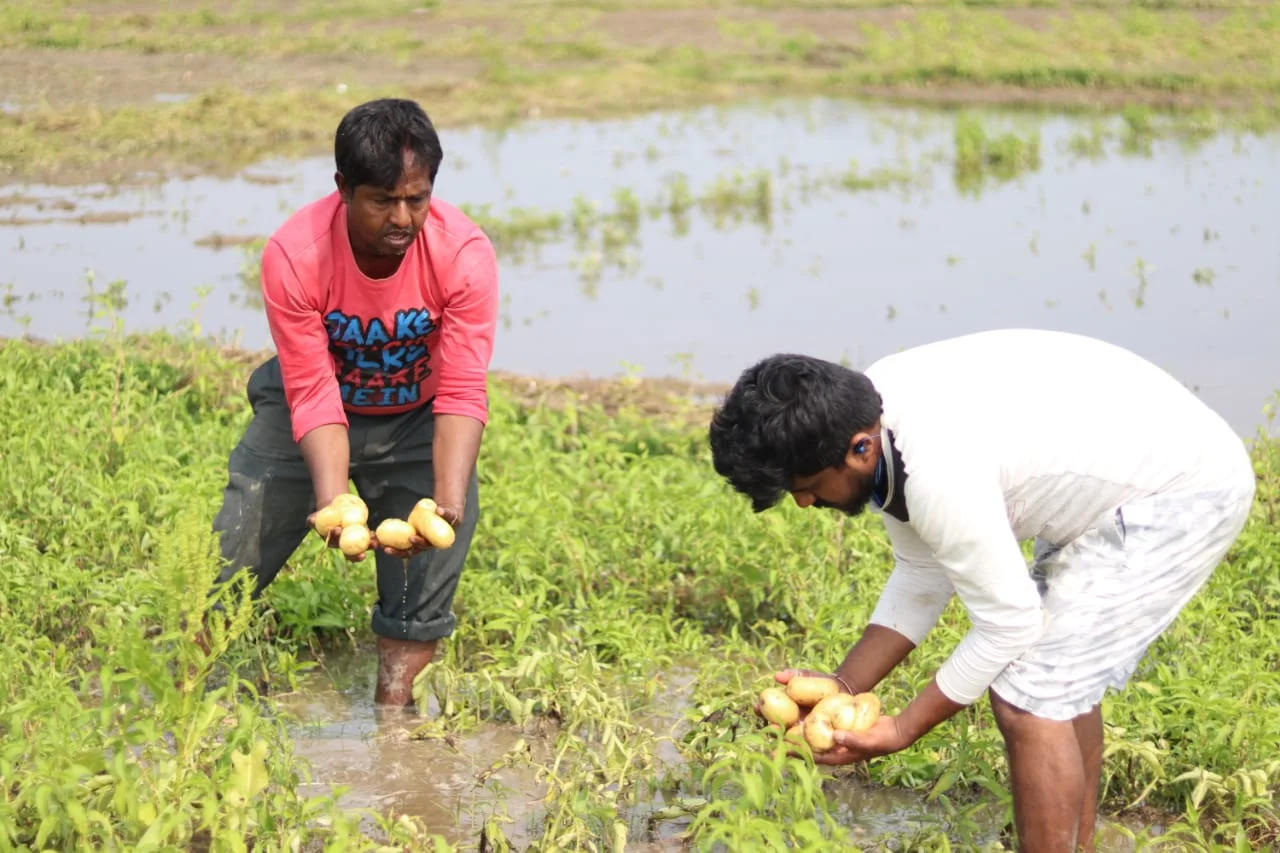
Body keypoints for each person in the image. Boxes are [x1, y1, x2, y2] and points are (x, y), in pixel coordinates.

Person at [707, 328, 1256, 853]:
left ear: (857, 449)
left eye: (805, 489)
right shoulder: (872, 416)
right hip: (1120, 479)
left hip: (1179, 491)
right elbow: (923, 572)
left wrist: (902, 728)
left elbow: (1010, 623)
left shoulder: (936, 471)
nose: (805, 504)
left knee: (1028, 697)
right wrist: (843, 684)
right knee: (1054, 684)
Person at [209, 97, 499, 708]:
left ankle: (396, 734)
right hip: (306, 418)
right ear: (343, 188)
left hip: (420, 418)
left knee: (420, 594)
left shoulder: (464, 255)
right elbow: (311, 390)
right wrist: (333, 499)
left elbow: (464, 389)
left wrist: (445, 505)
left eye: (416, 200)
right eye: (382, 200)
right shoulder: (295, 255)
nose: (402, 218)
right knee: (225, 570)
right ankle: (193, 706)